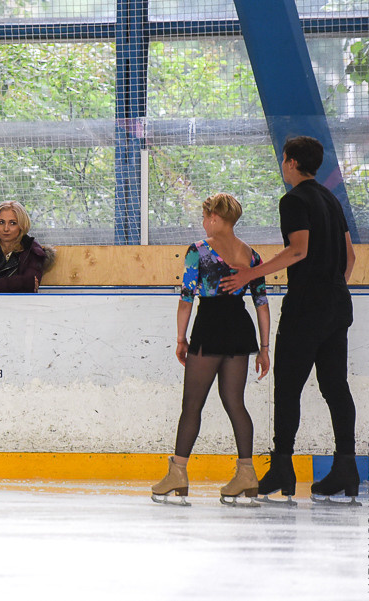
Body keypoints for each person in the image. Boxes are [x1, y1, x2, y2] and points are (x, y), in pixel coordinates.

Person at [221, 136, 358, 503]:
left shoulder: (294, 200)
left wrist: (250, 274)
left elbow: (298, 250)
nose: (283, 164)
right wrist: (332, 288)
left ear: (292, 163)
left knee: (287, 388)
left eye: (284, 159)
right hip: (337, 306)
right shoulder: (332, 200)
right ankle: (347, 466)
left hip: (306, 308)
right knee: (335, 386)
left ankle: (283, 466)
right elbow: (350, 258)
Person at [151, 193, 271, 506]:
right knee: (235, 402)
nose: (203, 223)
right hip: (240, 329)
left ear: (215, 218)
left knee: (192, 404)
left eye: (205, 217)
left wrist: (181, 338)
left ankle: (178, 473)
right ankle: (247, 473)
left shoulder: (199, 250)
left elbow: (186, 298)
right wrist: (264, 347)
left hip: (210, 327)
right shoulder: (252, 255)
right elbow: (261, 303)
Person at [0, 201, 50, 293]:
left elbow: (29, 288)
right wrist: (22, 282)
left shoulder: (33, 250)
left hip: (24, 302)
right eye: (1, 222)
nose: (6, 228)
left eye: (13, 223)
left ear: (22, 225)